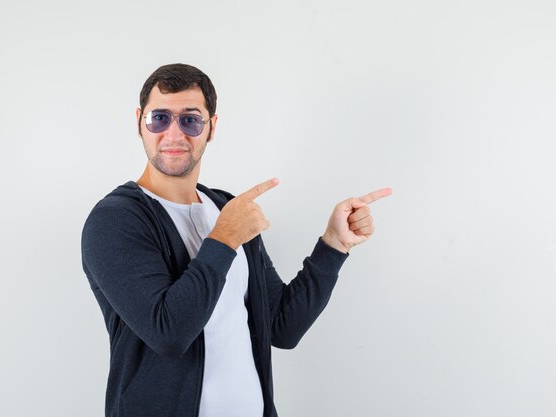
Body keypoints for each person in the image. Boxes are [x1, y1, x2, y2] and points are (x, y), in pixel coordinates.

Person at [81, 63, 392, 417]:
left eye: (190, 120)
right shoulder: (116, 219)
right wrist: (225, 237)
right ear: (139, 122)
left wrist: (334, 245)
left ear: (211, 128)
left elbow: (282, 327)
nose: (173, 134)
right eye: (159, 118)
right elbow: (168, 333)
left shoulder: (226, 208)